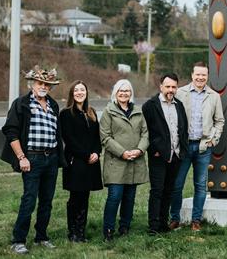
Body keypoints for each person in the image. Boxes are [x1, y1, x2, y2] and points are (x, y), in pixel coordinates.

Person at [1, 66, 65, 255]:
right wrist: (22, 157)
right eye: (40, 83)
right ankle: (18, 240)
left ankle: (41, 237)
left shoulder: (53, 105)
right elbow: (11, 132)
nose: (43, 86)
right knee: (29, 200)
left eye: (47, 84)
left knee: (47, 200)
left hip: (51, 158)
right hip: (32, 158)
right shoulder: (21, 104)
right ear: (32, 85)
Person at [170, 62, 225, 231]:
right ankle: (175, 219)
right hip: (184, 147)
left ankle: (196, 220)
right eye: (197, 75)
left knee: (200, 185)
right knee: (177, 184)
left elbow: (219, 121)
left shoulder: (214, 96)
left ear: (207, 76)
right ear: (192, 75)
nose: (200, 78)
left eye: (204, 75)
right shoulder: (180, 93)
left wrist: (213, 140)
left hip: (203, 147)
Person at [99, 79, 149, 241]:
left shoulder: (138, 111)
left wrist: (139, 149)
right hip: (116, 162)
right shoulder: (109, 111)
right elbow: (105, 137)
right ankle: (108, 229)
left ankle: (125, 227)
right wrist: (123, 153)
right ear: (115, 93)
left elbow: (146, 133)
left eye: (127, 91)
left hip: (135, 160)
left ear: (131, 93)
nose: (124, 93)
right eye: (121, 91)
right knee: (114, 196)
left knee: (130, 197)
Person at [142, 73, 188, 234]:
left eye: (174, 87)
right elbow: (145, 131)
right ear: (161, 87)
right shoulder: (150, 106)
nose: (170, 90)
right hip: (158, 156)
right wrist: (154, 151)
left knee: (168, 190)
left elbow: (183, 130)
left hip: (176, 155)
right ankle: (153, 226)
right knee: (157, 190)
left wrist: (183, 150)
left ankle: (163, 223)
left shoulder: (179, 105)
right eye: (167, 86)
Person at [60, 80, 103, 242]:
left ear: (86, 93)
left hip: (91, 162)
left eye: (82, 90)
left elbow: (96, 137)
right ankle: (73, 232)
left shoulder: (91, 112)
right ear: (72, 93)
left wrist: (97, 153)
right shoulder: (66, 114)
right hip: (75, 161)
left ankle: (81, 231)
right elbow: (69, 140)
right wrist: (86, 155)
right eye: (76, 90)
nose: (79, 93)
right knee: (75, 197)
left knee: (85, 196)